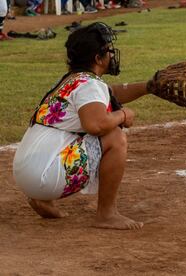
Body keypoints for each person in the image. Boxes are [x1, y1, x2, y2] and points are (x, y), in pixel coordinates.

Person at [13, 22, 151, 230]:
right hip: (46, 178)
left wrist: (149, 87)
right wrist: (123, 114)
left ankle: (42, 198)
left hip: (25, 174)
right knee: (115, 137)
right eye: (109, 51)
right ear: (97, 58)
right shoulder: (90, 85)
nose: (112, 55)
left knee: (71, 137)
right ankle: (107, 214)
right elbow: (96, 125)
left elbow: (109, 93)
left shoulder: (72, 81)